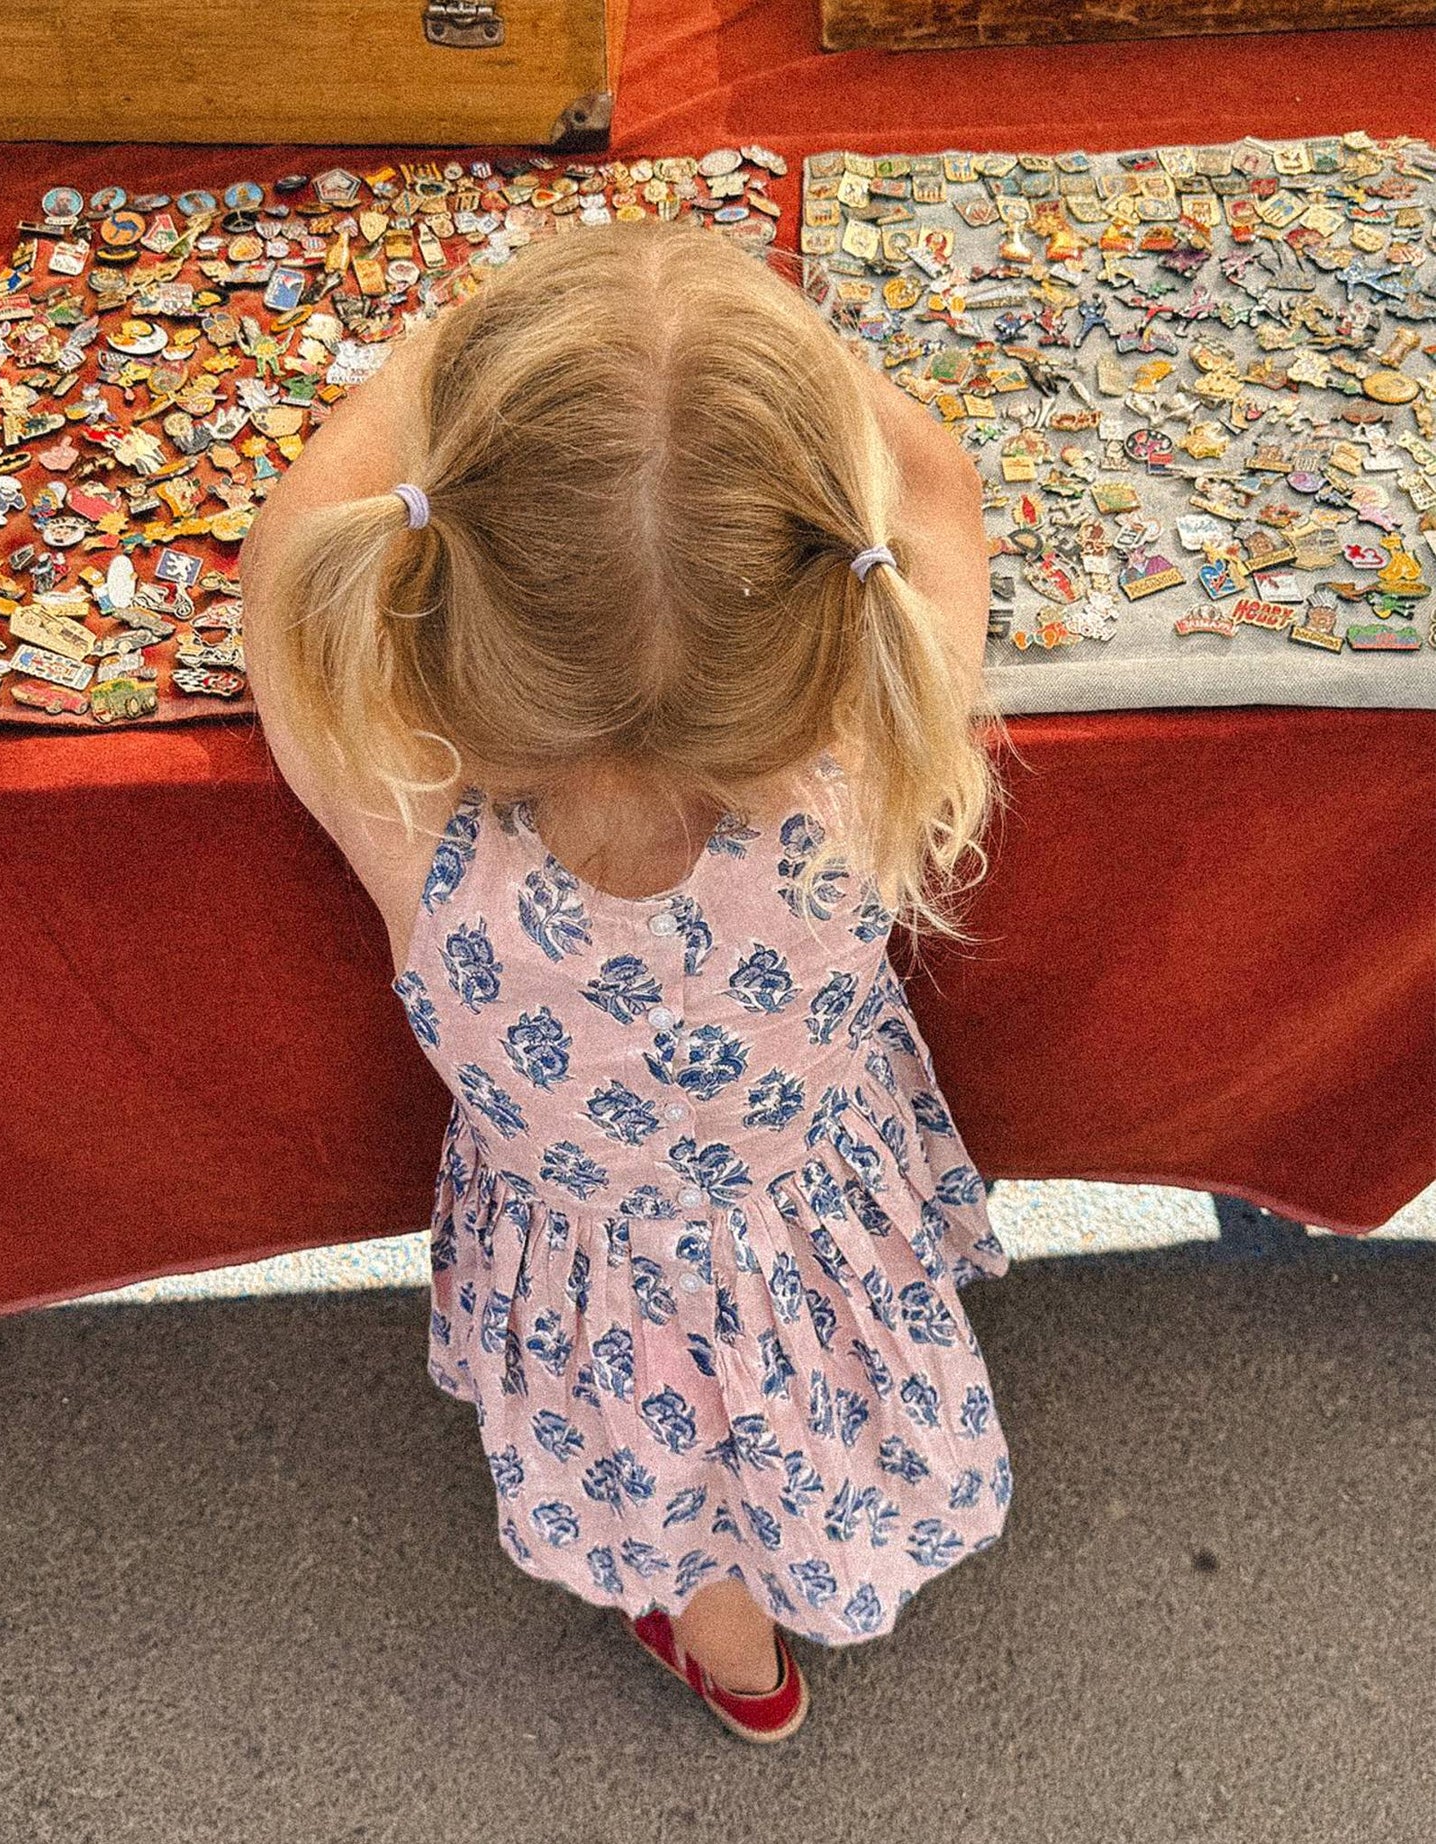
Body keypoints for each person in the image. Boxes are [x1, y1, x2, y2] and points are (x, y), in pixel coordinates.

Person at [240, 215, 1019, 1745]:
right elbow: (938, 488)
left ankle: (741, 1668)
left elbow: (287, 554)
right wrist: (750, 375)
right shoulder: (865, 778)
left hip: (592, 1269)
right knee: (805, 1421)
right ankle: (808, 1584)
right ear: (812, 574)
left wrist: (450, 362)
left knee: (676, 1498)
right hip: (808, 1218)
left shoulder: (417, 834)